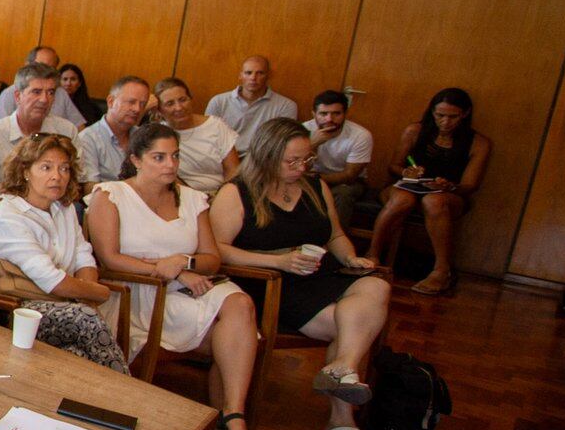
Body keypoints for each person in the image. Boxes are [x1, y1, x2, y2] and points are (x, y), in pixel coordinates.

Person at [85, 122, 258, 430]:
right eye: (159, 157)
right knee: (236, 338)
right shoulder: (111, 195)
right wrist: (167, 271)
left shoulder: (192, 198)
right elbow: (109, 258)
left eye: (175, 156)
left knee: (239, 305)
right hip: (137, 292)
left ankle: (232, 414)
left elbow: (211, 258)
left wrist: (184, 262)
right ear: (135, 159)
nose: (170, 165)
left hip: (184, 290)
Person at [211, 118, 390, 430]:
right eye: (291, 161)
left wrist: (351, 257)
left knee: (376, 289)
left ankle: (343, 367)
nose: (300, 167)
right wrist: (278, 262)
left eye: (306, 159)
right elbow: (218, 249)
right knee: (352, 325)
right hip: (272, 282)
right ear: (266, 155)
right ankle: (341, 421)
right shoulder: (237, 192)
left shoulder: (314, 186)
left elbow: (334, 234)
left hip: (320, 273)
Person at [0, 135, 128, 373]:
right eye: (46, 167)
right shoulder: (8, 216)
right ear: (25, 171)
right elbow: (53, 281)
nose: (57, 176)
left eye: (64, 168)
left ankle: (109, 403)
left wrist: (86, 293)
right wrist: (98, 294)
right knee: (84, 317)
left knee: (77, 356)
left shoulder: (63, 208)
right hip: (8, 309)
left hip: (59, 304)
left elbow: (83, 255)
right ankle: (128, 392)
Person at [368, 87, 492, 296]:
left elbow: (470, 186)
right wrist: (407, 172)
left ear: (465, 114)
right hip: (407, 186)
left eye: (453, 117)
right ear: (432, 112)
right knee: (401, 200)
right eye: (440, 115)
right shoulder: (415, 131)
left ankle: (442, 271)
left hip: (447, 194)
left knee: (434, 202)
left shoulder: (478, 143)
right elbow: (394, 166)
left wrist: (449, 186)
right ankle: (372, 256)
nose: (445, 122)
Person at [0, 63, 78, 202]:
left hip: (56, 209)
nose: (44, 99)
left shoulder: (67, 131)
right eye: (36, 92)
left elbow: (76, 184)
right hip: (7, 213)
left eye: (50, 92)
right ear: (18, 96)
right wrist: (27, 204)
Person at [152, 76, 240, 194]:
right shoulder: (157, 134)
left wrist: (223, 197)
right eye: (169, 103)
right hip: (177, 195)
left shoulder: (216, 126)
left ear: (191, 99)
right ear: (159, 110)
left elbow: (233, 170)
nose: (178, 107)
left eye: (183, 100)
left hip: (219, 194)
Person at [303, 89, 374, 229]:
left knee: (343, 194)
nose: (329, 119)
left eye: (336, 113)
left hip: (349, 182)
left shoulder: (360, 135)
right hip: (310, 176)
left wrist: (315, 178)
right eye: (323, 114)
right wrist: (313, 144)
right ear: (314, 114)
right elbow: (295, 165)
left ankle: (335, 241)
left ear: (345, 114)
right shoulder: (303, 129)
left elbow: (349, 175)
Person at [205, 55, 298, 151]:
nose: (253, 78)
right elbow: (208, 136)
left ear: (268, 76)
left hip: (262, 159)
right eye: (248, 73)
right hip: (223, 157)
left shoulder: (286, 106)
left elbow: (281, 143)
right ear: (240, 75)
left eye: (260, 73)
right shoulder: (218, 102)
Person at [75, 76, 151, 188]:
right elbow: (90, 189)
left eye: (142, 104)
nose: (137, 109)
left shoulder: (144, 136)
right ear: (111, 101)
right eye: (131, 102)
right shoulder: (88, 138)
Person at [0, 45, 88, 127]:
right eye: (40, 66)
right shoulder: (10, 94)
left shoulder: (60, 92)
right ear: (27, 65)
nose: (44, 72)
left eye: (51, 68)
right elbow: (1, 131)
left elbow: (79, 127)